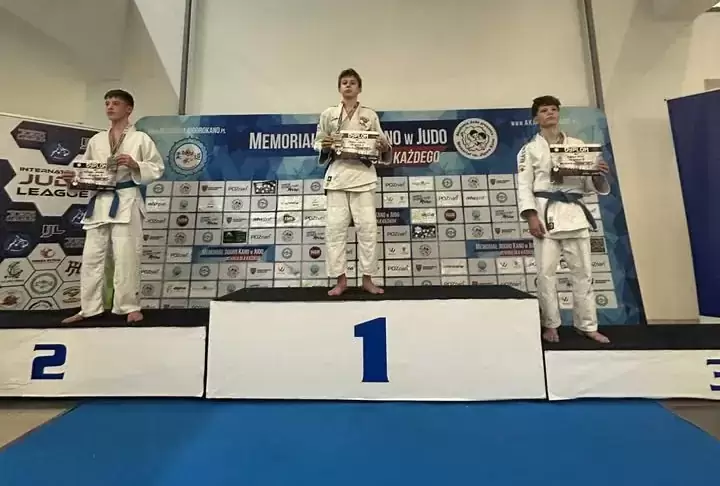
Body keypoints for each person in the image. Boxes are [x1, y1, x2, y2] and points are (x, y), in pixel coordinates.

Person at [61, 89, 164, 324]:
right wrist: (74, 180)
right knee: (91, 257)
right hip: (100, 201)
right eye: (107, 103)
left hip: (126, 199)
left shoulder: (141, 139)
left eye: (116, 103)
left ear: (129, 109)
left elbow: (157, 167)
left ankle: (129, 306)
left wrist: (135, 164)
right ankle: (89, 308)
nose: (109, 107)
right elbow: (87, 172)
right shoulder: (97, 140)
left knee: (126, 256)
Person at [516, 95, 611, 344]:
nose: (550, 113)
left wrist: (596, 174)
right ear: (535, 118)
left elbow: (587, 185)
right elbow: (524, 186)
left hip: (574, 213)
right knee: (546, 275)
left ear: (559, 114)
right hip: (545, 213)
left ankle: (587, 325)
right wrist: (531, 216)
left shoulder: (577, 145)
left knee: (583, 273)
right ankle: (550, 325)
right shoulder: (529, 150)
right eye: (544, 110)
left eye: (553, 109)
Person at [313, 68, 392, 296]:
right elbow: (318, 142)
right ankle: (341, 281)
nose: (348, 85)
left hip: (363, 176)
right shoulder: (328, 114)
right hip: (337, 176)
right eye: (344, 82)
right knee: (335, 230)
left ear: (359, 88)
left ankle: (367, 279)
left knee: (367, 229)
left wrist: (383, 147)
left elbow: (383, 144)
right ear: (339, 88)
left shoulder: (370, 115)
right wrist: (324, 145)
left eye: (352, 82)